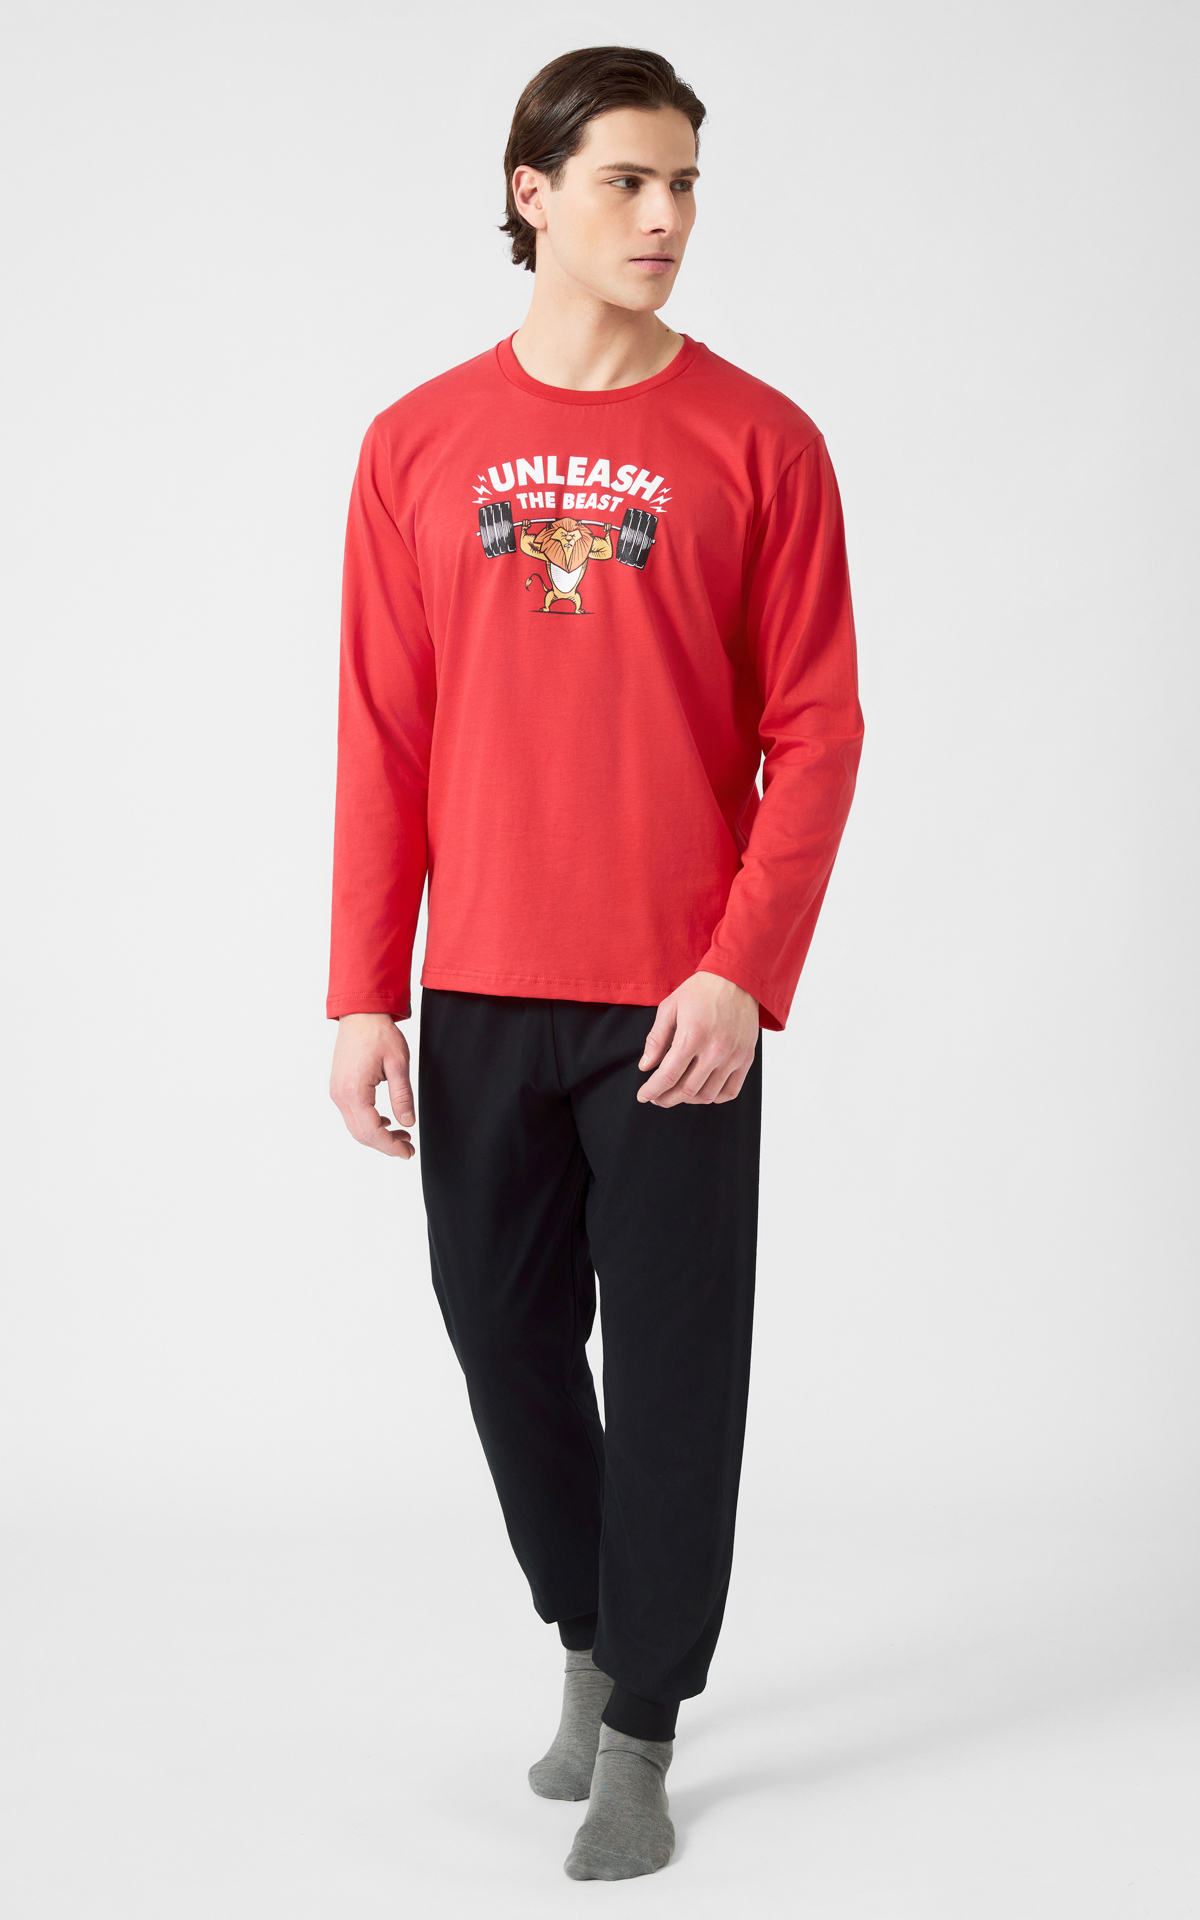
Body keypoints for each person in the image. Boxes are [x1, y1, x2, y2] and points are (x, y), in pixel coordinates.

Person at [327, 45, 863, 1881]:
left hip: (676, 999)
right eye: (629, 179)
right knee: (500, 1332)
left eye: (687, 182)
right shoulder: (415, 442)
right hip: (482, 980)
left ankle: (641, 1725)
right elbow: (382, 731)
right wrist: (361, 988)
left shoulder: (762, 442)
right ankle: (589, 1628)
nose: (666, 216)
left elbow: (819, 729)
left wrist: (742, 972)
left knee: (680, 1367)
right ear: (532, 191)